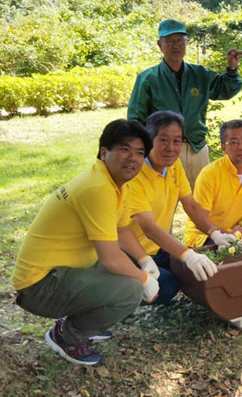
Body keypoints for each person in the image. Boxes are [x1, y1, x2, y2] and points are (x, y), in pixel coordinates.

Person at [11, 119, 159, 366]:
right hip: (39, 285)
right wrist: (144, 280)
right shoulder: (98, 188)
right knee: (130, 289)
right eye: (124, 149)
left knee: (131, 265)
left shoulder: (117, 184)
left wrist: (145, 260)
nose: (133, 158)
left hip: (60, 272)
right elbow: (110, 258)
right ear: (104, 152)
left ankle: (89, 320)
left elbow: (121, 229)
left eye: (140, 153)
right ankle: (67, 337)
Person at [118, 111, 232, 304]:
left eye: (177, 141)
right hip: (131, 252)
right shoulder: (135, 174)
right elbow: (149, 228)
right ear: (148, 140)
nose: (171, 148)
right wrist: (188, 255)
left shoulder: (173, 165)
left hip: (159, 248)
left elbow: (190, 204)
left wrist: (214, 233)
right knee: (169, 285)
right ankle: (119, 293)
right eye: (163, 140)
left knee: (193, 273)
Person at [127, 19, 242, 189]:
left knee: (203, 200)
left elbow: (224, 89)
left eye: (180, 40)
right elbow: (135, 119)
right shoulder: (148, 78)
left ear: (186, 43)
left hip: (197, 147)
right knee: (162, 201)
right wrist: (143, 150)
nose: (176, 46)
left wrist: (232, 69)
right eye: (170, 41)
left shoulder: (200, 74)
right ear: (160, 45)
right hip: (163, 150)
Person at [184, 119, 242, 247]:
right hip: (205, 235)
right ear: (224, 148)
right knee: (229, 250)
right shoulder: (210, 174)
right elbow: (201, 221)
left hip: (237, 231)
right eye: (234, 142)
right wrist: (226, 232)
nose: (241, 147)